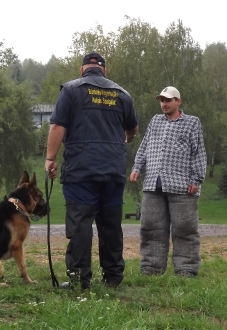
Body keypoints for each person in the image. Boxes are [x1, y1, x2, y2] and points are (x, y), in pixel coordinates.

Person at [45, 51, 139, 289]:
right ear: (104, 71)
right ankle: (113, 278)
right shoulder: (122, 94)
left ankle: (79, 279)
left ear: (82, 69)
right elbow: (132, 128)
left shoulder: (71, 90)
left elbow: (57, 126)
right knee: (110, 225)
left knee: (80, 225)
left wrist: (50, 158)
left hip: (81, 170)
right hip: (113, 170)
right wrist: (125, 140)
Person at [129, 86, 206, 277]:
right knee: (151, 228)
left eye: (168, 100)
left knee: (185, 230)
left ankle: (186, 270)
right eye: (162, 100)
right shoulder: (155, 121)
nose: (164, 104)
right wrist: (137, 167)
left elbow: (199, 153)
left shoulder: (192, 123)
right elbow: (145, 145)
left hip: (182, 187)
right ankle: (151, 268)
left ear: (178, 101)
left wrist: (196, 179)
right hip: (153, 184)